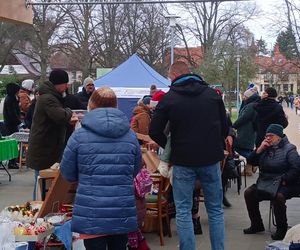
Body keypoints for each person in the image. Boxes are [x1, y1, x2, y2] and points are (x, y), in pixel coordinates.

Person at [149, 61, 227, 250]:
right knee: (215, 210)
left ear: (174, 75)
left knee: (183, 211)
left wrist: (169, 146)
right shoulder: (212, 95)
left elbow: (154, 130)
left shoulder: (170, 98)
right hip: (210, 159)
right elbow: (225, 128)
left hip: (183, 160)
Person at [60, 87, 141, 250]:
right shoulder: (131, 136)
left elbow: (67, 173)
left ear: (91, 105)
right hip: (121, 211)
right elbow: (135, 169)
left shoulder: (79, 136)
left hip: (91, 211)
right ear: (116, 105)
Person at [243, 124, 300, 240]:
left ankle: (281, 228)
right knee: (249, 192)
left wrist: (284, 180)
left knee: (278, 196)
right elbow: (251, 161)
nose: (268, 138)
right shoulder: (265, 148)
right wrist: (259, 150)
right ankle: (257, 224)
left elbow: (296, 168)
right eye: (266, 136)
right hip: (266, 182)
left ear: (279, 137)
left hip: (286, 183)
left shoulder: (290, 149)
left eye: (271, 136)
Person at [26, 69, 73, 200]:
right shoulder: (48, 99)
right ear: (58, 84)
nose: (67, 86)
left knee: (41, 180)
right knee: (41, 182)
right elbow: (61, 116)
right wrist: (69, 111)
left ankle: (40, 206)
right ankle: (38, 208)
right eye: (65, 83)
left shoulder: (49, 96)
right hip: (43, 148)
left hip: (45, 147)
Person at [233, 88, 260, 176]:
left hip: (246, 130)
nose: (243, 98)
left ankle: (254, 162)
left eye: (245, 96)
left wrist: (234, 125)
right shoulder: (252, 104)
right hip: (248, 130)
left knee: (237, 146)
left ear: (249, 97)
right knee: (246, 148)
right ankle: (249, 169)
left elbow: (244, 117)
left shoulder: (250, 106)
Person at [3, 83, 21, 169]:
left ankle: (13, 161)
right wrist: (19, 122)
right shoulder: (11, 99)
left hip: (10, 123)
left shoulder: (11, 98)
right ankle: (12, 162)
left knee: (13, 142)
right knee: (13, 142)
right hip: (11, 124)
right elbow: (12, 113)